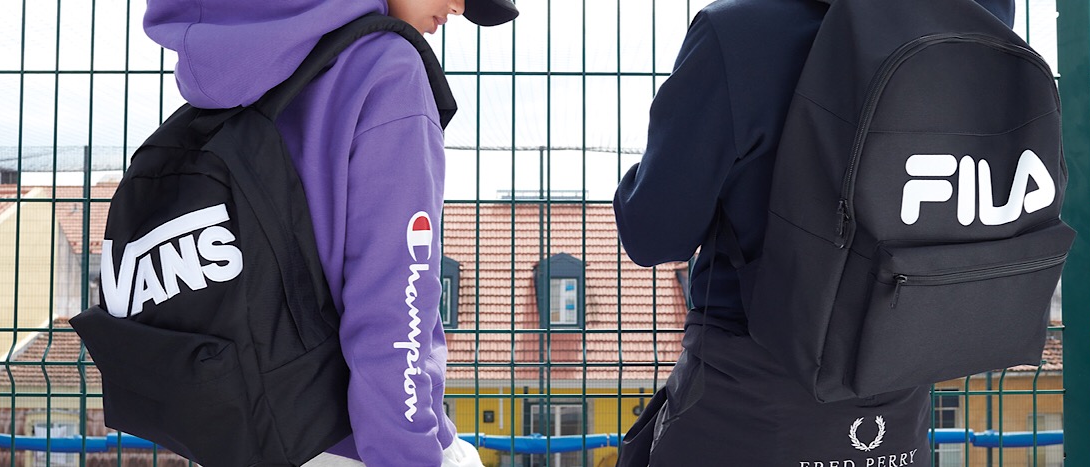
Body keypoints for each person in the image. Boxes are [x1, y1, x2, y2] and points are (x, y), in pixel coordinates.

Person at [612, 0, 1014, 465]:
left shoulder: (739, 32)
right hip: (899, 415)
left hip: (747, 412)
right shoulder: (977, 17)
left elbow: (654, 235)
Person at [142, 0, 517, 466]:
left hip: (238, 423)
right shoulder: (386, 67)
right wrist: (408, 453)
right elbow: (394, 297)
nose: (458, 6)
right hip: (350, 438)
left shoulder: (239, 58)